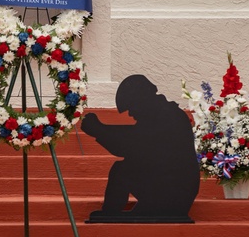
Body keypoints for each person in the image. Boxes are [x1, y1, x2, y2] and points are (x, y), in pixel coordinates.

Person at [81, 75, 201, 223]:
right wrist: (100, 130)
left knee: (122, 170)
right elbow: (134, 141)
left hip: (175, 194)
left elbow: (130, 144)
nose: (131, 114)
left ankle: (111, 212)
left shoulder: (167, 116)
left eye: (131, 107)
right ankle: (137, 208)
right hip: (169, 187)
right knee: (124, 167)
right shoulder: (163, 114)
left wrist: (99, 130)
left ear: (142, 99)